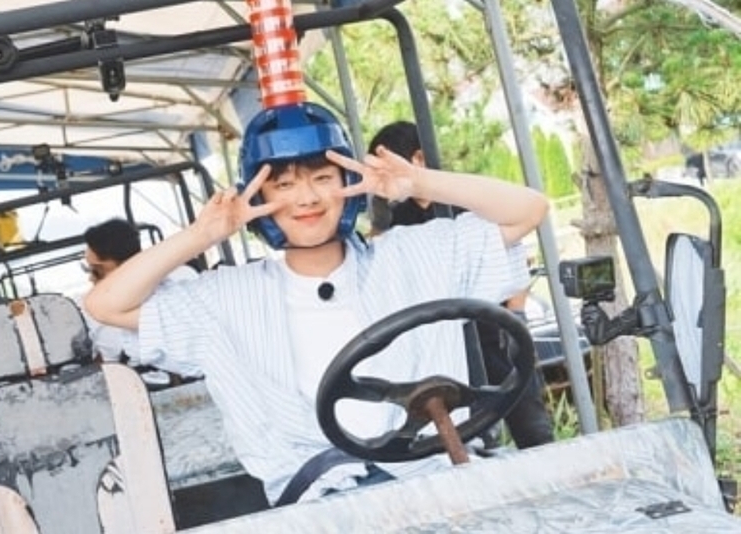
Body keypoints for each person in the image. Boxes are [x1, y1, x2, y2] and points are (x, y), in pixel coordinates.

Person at [85, 101, 549, 506]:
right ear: (257, 197)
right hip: (319, 502)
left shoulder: (413, 254)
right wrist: (201, 235)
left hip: (439, 473)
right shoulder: (226, 297)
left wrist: (419, 181)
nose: (306, 198)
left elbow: (528, 210)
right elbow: (106, 305)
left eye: (323, 178)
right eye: (283, 185)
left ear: (349, 181)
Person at [367, 120, 554, 449]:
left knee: (529, 419)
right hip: (442, 337)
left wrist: (517, 314)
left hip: (491, 327)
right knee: (471, 428)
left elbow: (518, 237)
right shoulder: (399, 221)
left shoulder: (467, 201)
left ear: (419, 158)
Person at [82, 217, 200, 389]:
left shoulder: (182, 280)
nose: (91, 278)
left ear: (128, 265)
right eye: (87, 269)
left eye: (97, 270)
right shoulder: (94, 315)